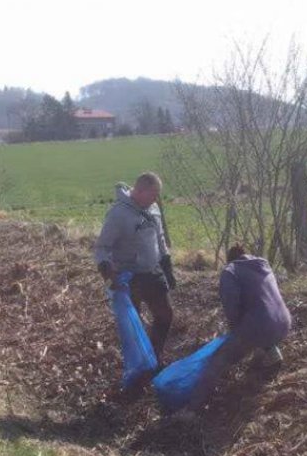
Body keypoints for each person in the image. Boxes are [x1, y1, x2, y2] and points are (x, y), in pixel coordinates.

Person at [186, 244, 292, 413]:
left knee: (217, 360)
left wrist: (235, 334)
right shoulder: (263, 264)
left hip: (261, 327)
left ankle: (192, 409)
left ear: (229, 259)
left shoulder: (230, 271)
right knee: (259, 323)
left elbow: (231, 307)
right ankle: (272, 353)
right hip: (284, 322)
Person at [95, 173, 176, 362]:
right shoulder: (118, 214)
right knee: (134, 323)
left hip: (152, 271)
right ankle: (139, 363)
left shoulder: (153, 208)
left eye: (158, 195)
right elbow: (102, 247)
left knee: (165, 315)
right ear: (138, 191)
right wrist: (108, 272)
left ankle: (155, 355)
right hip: (129, 276)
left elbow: (160, 238)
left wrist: (167, 265)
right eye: (153, 194)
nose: (156, 199)